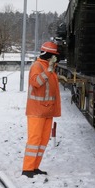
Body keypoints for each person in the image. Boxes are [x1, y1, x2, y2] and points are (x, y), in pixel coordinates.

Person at [22, 41, 62, 177]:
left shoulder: (48, 67)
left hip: (47, 111)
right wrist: (49, 71)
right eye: (53, 55)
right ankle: (27, 169)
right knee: (34, 140)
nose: (54, 58)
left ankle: (35, 167)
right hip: (36, 111)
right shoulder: (38, 66)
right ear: (47, 55)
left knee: (43, 141)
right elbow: (36, 82)